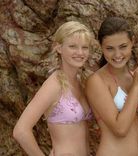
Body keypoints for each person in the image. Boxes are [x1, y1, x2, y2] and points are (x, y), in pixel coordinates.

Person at [13, 21, 94, 156]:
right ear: (59, 48)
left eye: (84, 47)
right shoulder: (54, 85)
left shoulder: (81, 81)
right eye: (73, 46)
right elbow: (20, 131)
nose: (80, 52)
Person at [85, 17, 138, 156]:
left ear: (132, 42)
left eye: (123, 47)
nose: (117, 55)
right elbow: (120, 129)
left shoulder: (134, 76)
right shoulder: (96, 81)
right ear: (101, 47)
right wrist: (136, 87)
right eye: (110, 49)